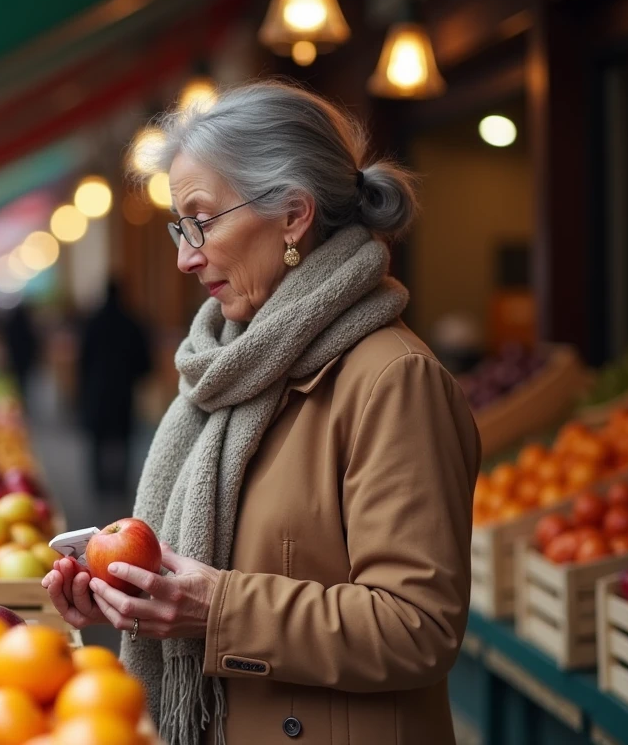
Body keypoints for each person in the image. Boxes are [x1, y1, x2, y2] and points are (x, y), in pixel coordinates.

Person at [42, 82, 480, 745]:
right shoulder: (226, 369)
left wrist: (216, 610)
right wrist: (135, 598)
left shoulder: (395, 380)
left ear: (293, 216)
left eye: (201, 221)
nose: (185, 257)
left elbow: (418, 627)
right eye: (179, 227)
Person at [77, 280, 150, 494]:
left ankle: (99, 484)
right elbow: (144, 362)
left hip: (97, 390)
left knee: (97, 440)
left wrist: (83, 386)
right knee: (123, 440)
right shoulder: (132, 323)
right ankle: (120, 484)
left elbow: (83, 359)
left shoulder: (93, 322)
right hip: (122, 391)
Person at [3, 302, 39, 407]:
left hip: (16, 359)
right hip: (25, 360)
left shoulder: (12, 325)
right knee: (23, 382)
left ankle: (19, 399)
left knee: (17, 381)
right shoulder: (27, 326)